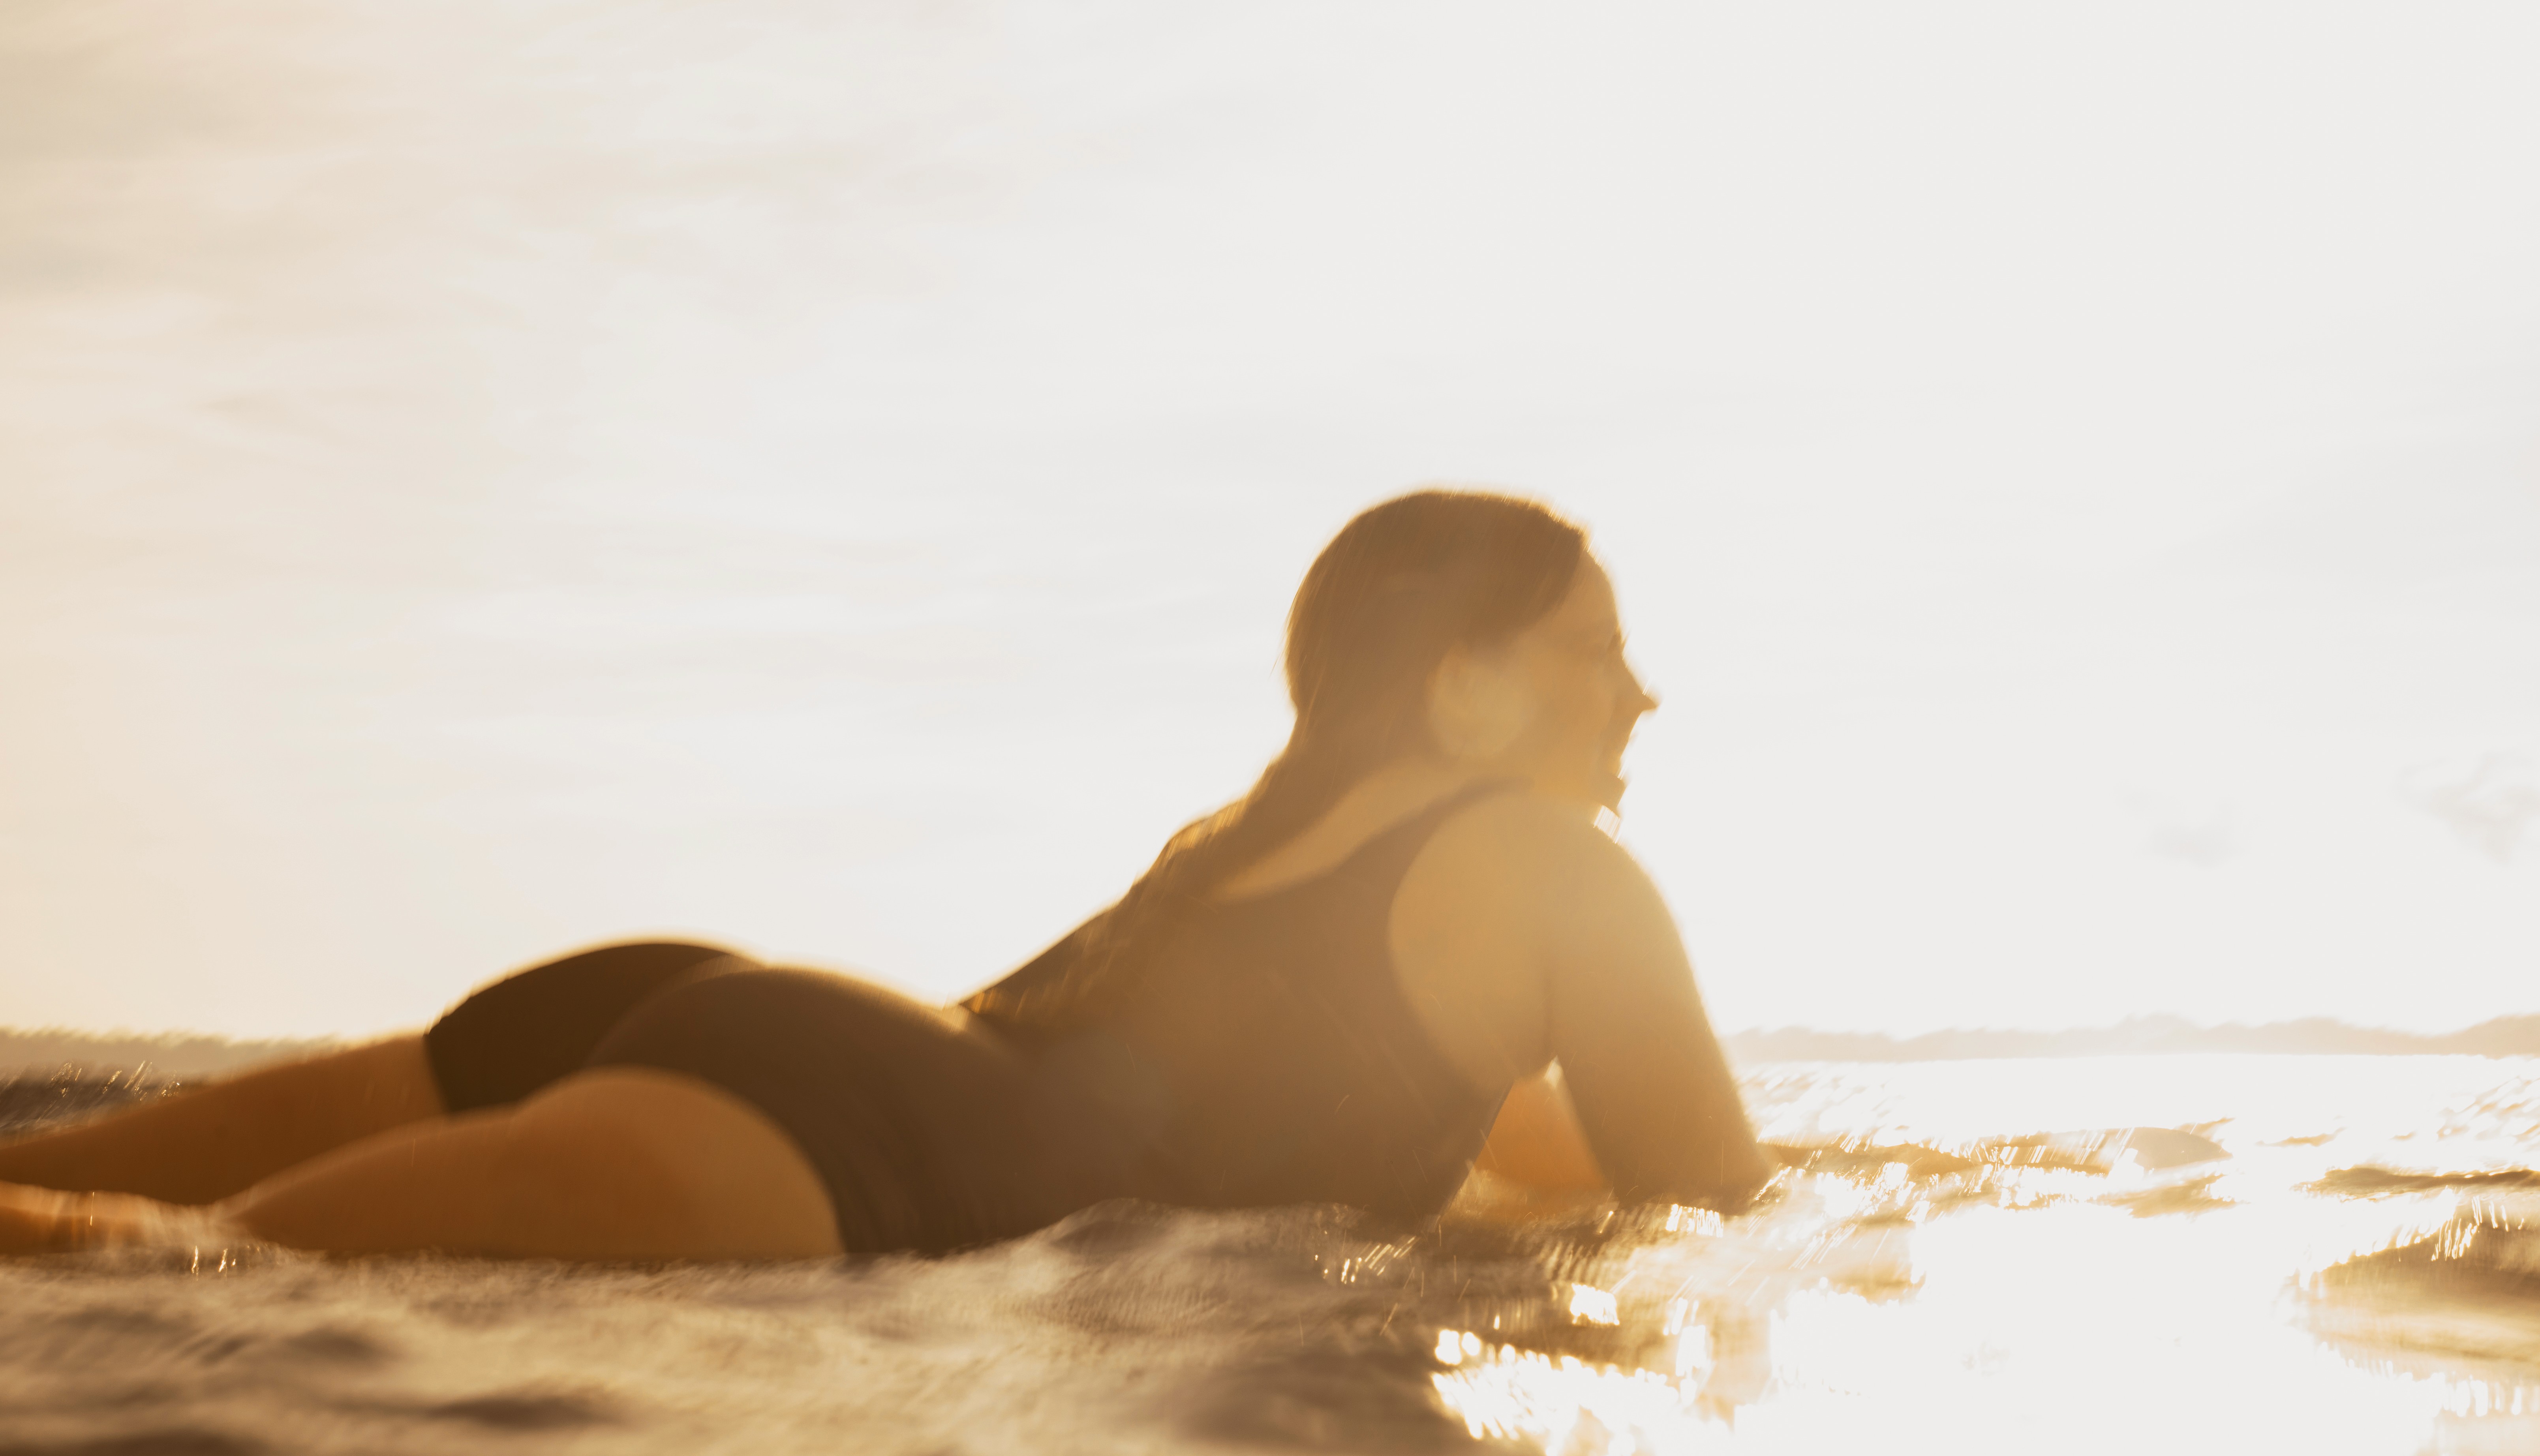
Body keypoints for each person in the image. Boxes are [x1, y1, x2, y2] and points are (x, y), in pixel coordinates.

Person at [0, 491, 1768, 1260]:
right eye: (1595, 648)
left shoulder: (1232, 858)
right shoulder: (1551, 867)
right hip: (867, 1145)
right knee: (154, 1277)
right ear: (1464, 689)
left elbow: (1489, 1135)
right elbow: (1705, 1199)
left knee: (65, 1215)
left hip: (741, 1028)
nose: (1640, 691)